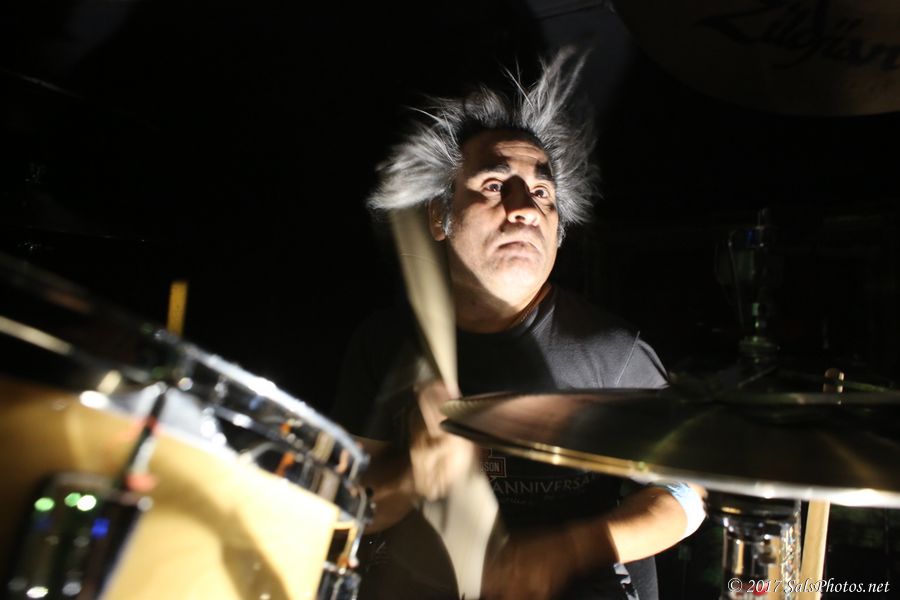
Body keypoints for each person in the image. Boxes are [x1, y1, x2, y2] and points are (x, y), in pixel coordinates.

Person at [332, 48, 705, 600]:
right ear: (439, 216)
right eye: (493, 185)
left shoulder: (611, 351)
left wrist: (564, 551)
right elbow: (347, 512)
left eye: (542, 192)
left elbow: (686, 498)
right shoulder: (384, 343)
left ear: (558, 230)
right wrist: (414, 474)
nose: (524, 206)